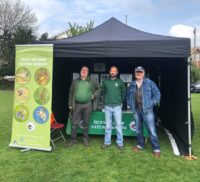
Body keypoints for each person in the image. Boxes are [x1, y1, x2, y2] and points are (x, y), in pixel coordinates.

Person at [127, 66, 161, 158]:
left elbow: (157, 94)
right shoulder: (132, 84)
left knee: (152, 130)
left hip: (147, 110)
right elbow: (128, 96)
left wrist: (151, 103)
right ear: (135, 73)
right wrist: (130, 105)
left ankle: (156, 148)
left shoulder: (149, 82)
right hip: (136, 110)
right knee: (138, 129)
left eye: (140, 72)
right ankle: (140, 145)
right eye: (137, 72)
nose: (138, 73)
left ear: (143, 73)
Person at [67, 66, 101, 147]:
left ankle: (85, 139)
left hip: (88, 104)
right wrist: (70, 104)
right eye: (83, 70)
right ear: (80, 71)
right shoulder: (75, 81)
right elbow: (71, 93)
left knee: (86, 123)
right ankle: (73, 140)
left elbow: (99, 87)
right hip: (77, 104)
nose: (84, 71)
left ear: (88, 72)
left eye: (86, 70)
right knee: (74, 123)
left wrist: (94, 95)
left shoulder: (91, 80)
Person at [101, 66, 126, 151]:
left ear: (117, 72)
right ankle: (107, 142)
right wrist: (105, 101)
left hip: (117, 107)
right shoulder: (105, 81)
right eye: (111, 71)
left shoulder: (120, 81)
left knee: (119, 126)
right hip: (107, 107)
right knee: (108, 126)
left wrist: (120, 101)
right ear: (109, 72)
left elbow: (124, 92)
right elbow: (103, 92)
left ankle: (120, 143)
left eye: (114, 71)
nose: (113, 72)